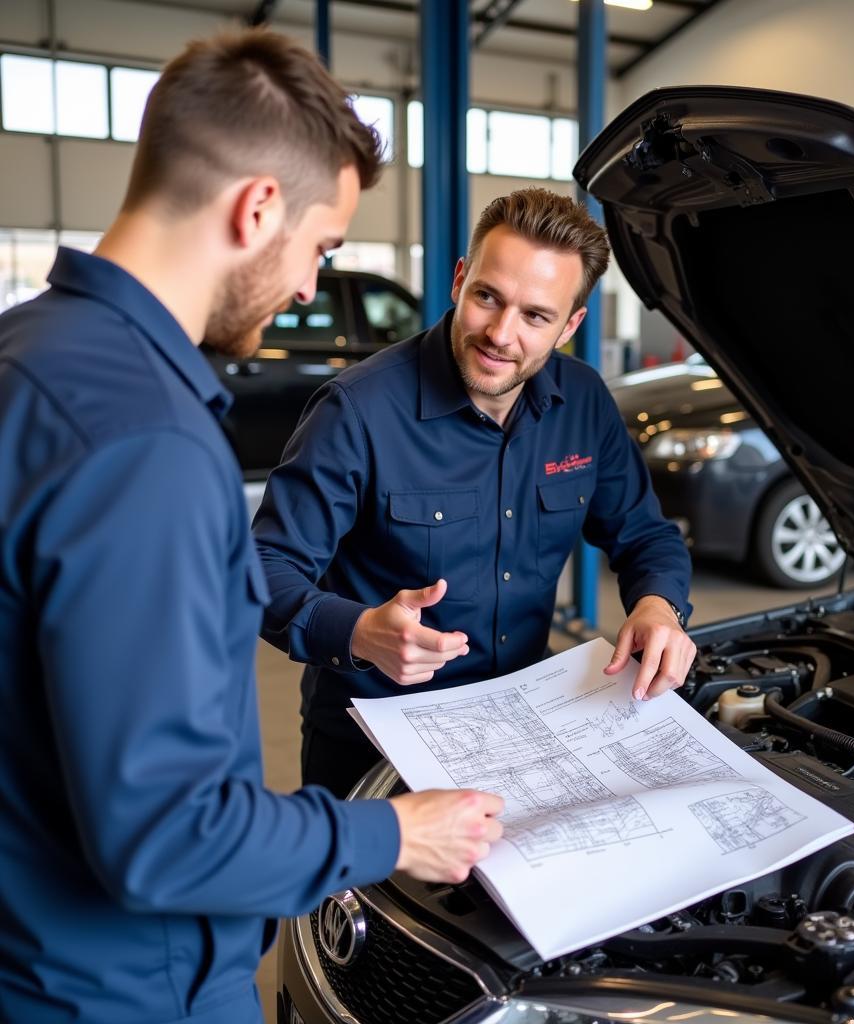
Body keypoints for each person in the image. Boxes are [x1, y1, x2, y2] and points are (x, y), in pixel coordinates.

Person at [0, 30, 502, 1024]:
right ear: (257, 206)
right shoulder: (146, 443)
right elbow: (167, 834)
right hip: (128, 991)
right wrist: (391, 836)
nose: (312, 286)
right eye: (319, 248)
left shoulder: (26, 352)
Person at [254, 187, 698, 799]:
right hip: (375, 746)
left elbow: (644, 534)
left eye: (536, 316)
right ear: (460, 279)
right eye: (488, 296)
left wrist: (657, 606)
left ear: (570, 324)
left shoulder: (585, 403)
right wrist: (359, 631)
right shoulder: (357, 411)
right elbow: (264, 568)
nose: (500, 334)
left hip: (522, 729)